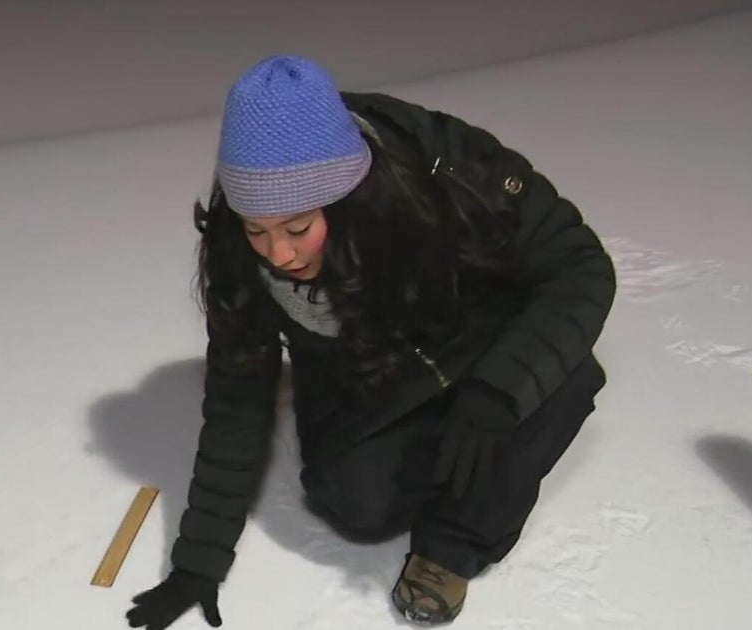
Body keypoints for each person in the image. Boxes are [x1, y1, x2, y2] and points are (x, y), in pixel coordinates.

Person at [125, 55, 615, 628]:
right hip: (364, 370)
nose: (277, 254)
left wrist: (499, 392)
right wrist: (198, 563)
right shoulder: (243, 255)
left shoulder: (445, 169)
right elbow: (238, 404)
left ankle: (450, 544)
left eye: (298, 229)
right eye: (257, 229)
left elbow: (580, 268)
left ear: (347, 197)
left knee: (554, 380)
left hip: (477, 339)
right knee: (358, 507)